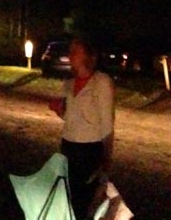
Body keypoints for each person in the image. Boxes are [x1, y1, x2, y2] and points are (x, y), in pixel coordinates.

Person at [49, 35, 115, 219]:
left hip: (89, 151)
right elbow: (72, 118)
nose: (69, 56)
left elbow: (107, 125)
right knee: (70, 198)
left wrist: (106, 162)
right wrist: (59, 111)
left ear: (87, 56)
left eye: (74, 52)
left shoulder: (101, 82)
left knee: (85, 202)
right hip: (69, 147)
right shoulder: (69, 84)